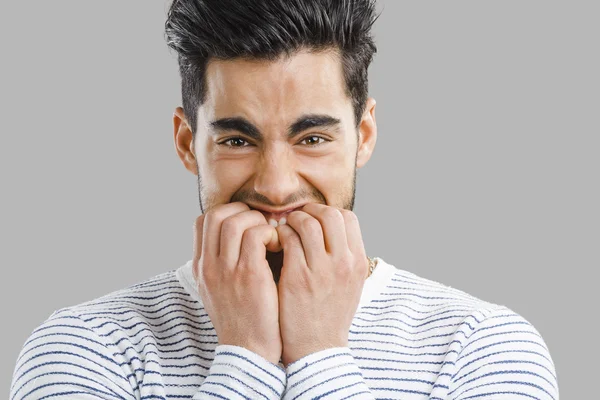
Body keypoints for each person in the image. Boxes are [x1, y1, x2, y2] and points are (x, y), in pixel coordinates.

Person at [10, 0, 559, 399]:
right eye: (237, 140)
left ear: (363, 135)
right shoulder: (83, 347)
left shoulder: (485, 347)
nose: (275, 185)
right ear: (186, 143)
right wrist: (245, 354)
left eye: (312, 139)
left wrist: (320, 356)